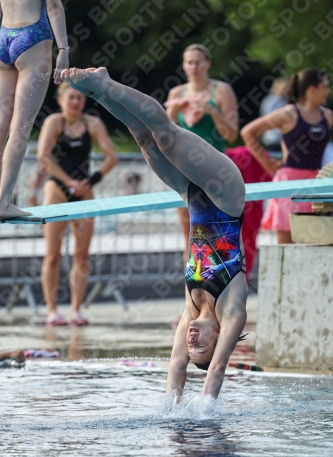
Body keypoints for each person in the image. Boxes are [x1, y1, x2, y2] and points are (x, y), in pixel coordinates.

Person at [61, 66, 248, 400]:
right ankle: (107, 82)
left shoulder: (191, 309)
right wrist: (206, 414)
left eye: (193, 345)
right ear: (220, 339)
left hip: (192, 197)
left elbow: (177, 364)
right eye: (202, 346)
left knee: (143, 137)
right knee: (166, 135)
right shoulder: (232, 309)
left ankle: (99, 93)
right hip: (225, 193)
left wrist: (172, 414)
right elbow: (217, 370)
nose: (192, 340)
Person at [37, 82, 118, 326]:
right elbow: (43, 156)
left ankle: (76, 309)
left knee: (81, 255)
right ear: (61, 100)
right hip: (57, 189)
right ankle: (52, 310)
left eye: (80, 98)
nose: (76, 102)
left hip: (84, 191)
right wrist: (67, 181)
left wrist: (89, 181)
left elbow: (111, 157)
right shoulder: (54, 122)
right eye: (71, 98)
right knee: (52, 255)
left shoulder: (92, 124)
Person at [241, 68, 333, 244]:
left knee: (317, 246)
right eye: (325, 87)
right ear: (312, 89)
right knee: (285, 247)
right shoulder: (288, 113)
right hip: (289, 184)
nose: (328, 91)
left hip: (317, 184)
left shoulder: (327, 116)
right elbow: (248, 132)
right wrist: (265, 162)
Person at [165, 44, 238, 262]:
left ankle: (217, 285)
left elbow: (231, 135)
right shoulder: (177, 93)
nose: (193, 67)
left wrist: (213, 112)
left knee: (215, 231)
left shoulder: (222, 91)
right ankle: (191, 288)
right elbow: (164, 136)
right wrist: (175, 111)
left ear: (208, 64)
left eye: (198, 62)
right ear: (184, 66)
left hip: (215, 169)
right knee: (188, 233)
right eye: (189, 62)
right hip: (184, 171)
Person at [0, 0, 69, 219]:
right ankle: (3, 202)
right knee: (20, 129)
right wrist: (64, 50)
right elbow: (54, 8)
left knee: (1, 128)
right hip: (33, 37)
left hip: (4, 37)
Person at [259, 78, 289, 153]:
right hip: (273, 137)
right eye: (283, 88)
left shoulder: (286, 100)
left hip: (285, 137)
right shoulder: (270, 101)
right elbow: (265, 116)